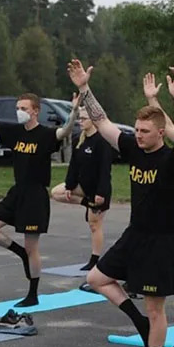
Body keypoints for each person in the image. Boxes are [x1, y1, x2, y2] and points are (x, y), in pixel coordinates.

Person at [69, 59, 174, 347]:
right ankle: (136, 319)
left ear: (159, 132)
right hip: (134, 235)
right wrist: (84, 89)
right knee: (97, 278)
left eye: (144, 132)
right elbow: (102, 120)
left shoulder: (172, 159)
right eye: (136, 130)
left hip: (161, 241)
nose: (137, 136)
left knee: (157, 309)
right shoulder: (132, 148)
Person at [0, 82, 78, 307]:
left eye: (24, 109)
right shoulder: (15, 132)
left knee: (32, 247)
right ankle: (20, 252)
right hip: (17, 192)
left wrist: (74, 111)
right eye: (18, 108)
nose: (20, 112)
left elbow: (64, 132)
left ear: (36, 111)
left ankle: (32, 293)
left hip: (36, 195)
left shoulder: (45, 135)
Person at [50, 105, 114, 270]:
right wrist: (70, 185)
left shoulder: (102, 141)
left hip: (97, 189)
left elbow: (105, 170)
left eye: (83, 119)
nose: (80, 122)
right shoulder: (81, 139)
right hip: (83, 188)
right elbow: (74, 165)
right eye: (80, 118)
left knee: (95, 225)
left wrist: (101, 193)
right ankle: (87, 203)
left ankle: (94, 259)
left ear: (93, 120)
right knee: (56, 192)